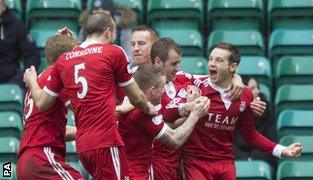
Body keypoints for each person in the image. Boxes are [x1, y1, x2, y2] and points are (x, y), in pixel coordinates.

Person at [23, 11, 155, 179]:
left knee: (5, 170)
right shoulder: (113, 52)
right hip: (96, 143)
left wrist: (32, 81)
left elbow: (43, 102)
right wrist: (147, 107)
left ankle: (4, 172)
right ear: (108, 31)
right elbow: (136, 98)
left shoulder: (63, 63)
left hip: (73, 148)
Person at [181, 43, 302, 180]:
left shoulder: (245, 95)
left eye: (219, 60)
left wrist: (282, 150)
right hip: (197, 162)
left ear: (232, 67)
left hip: (226, 164)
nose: (212, 64)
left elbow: (250, 136)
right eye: (210, 59)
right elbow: (171, 74)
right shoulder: (197, 85)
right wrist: (186, 107)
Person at [118, 64, 210, 179]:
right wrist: (195, 115)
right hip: (135, 175)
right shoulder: (142, 113)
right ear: (152, 90)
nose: (164, 91)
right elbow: (175, 140)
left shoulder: (129, 103)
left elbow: (164, 121)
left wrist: (186, 107)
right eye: (162, 86)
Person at [17, 35, 83, 179]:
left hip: (25, 162)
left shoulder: (40, 82)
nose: (79, 60)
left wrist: (83, 131)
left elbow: (49, 130)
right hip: (42, 156)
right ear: (66, 57)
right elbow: (82, 108)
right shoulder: (56, 78)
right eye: (76, 54)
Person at [233, 76, 277, 171]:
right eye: (252, 88)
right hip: (236, 160)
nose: (257, 91)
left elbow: (270, 140)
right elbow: (227, 143)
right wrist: (244, 158)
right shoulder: (231, 111)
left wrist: (252, 158)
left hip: (261, 161)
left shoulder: (266, 111)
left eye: (257, 87)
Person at [0, 0, 40, 89]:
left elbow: (32, 57)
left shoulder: (17, 26)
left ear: (2, 5)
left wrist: (18, 81)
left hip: (12, 82)